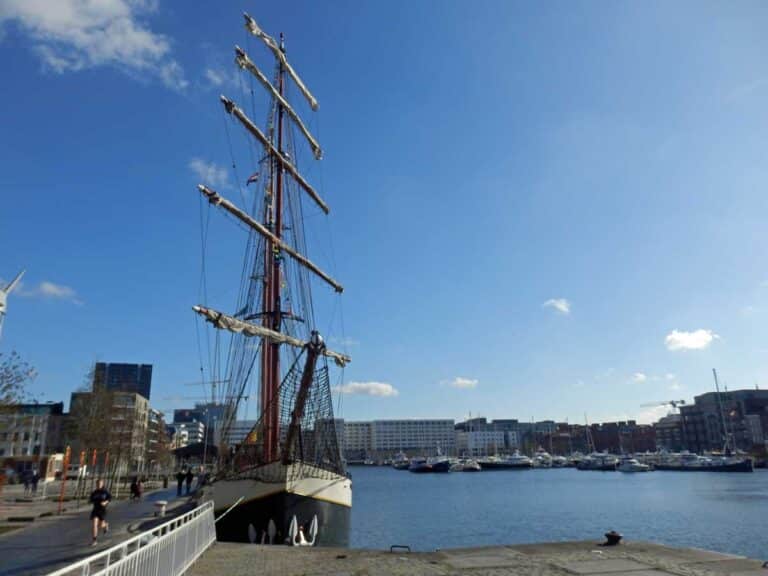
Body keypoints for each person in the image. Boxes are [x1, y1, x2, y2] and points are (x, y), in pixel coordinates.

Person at [89, 479, 111, 546]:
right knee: (94, 524)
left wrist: (105, 502)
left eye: (100, 484)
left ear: (102, 484)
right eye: (97, 484)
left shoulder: (105, 492)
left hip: (102, 510)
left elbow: (109, 498)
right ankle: (94, 540)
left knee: (101, 525)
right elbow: (91, 499)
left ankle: (105, 525)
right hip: (95, 510)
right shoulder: (94, 492)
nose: (99, 485)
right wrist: (90, 501)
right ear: (96, 484)